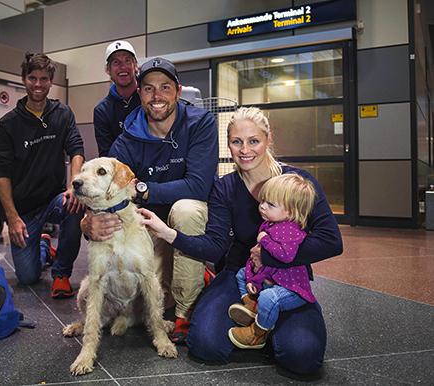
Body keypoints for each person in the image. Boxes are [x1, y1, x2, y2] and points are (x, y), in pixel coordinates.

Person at [139, 106, 342, 374]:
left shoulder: (297, 181)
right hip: (240, 274)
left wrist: (268, 257)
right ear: (229, 145)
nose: (245, 150)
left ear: (269, 140)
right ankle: (256, 320)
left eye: (254, 141)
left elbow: (331, 241)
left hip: (287, 278)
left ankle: (263, 326)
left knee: (302, 357)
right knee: (205, 346)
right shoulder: (225, 188)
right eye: (237, 142)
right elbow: (215, 245)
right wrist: (167, 232)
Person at [81, 57, 218, 343]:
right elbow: (105, 186)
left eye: (165, 87)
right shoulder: (127, 138)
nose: (157, 96)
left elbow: (199, 186)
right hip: (148, 225)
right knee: (148, 295)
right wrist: (88, 222)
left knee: (185, 209)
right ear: (139, 93)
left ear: (178, 92)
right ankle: (188, 278)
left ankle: (184, 312)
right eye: (148, 89)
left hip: (186, 215)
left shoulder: (201, 123)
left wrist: (143, 189)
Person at [0, 52, 85, 298]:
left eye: (43, 78)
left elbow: (76, 149)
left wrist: (74, 185)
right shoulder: (8, 124)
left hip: (53, 200)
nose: (38, 84)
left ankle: (61, 274)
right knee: (27, 277)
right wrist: (11, 218)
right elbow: (1, 173)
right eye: (32, 78)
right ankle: (44, 246)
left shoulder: (62, 114)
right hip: (24, 210)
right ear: (24, 79)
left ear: (51, 80)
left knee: (75, 205)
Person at [227, 173, 317, 350]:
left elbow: (285, 256)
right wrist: (253, 280)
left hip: (290, 289)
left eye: (270, 204)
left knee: (270, 297)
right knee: (241, 275)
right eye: (262, 201)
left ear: (290, 211)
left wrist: (264, 240)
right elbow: (262, 263)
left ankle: (258, 334)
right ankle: (253, 306)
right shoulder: (272, 223)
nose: (262, 207)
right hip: (272, 279)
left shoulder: (291, 230)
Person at [94, 40, 140, 157]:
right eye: (116, 62)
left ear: (136, 65)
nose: (123, 67)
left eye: (127, 60)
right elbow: (106, 156)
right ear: (108, 70)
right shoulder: (102, 111)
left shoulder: (149, 98)